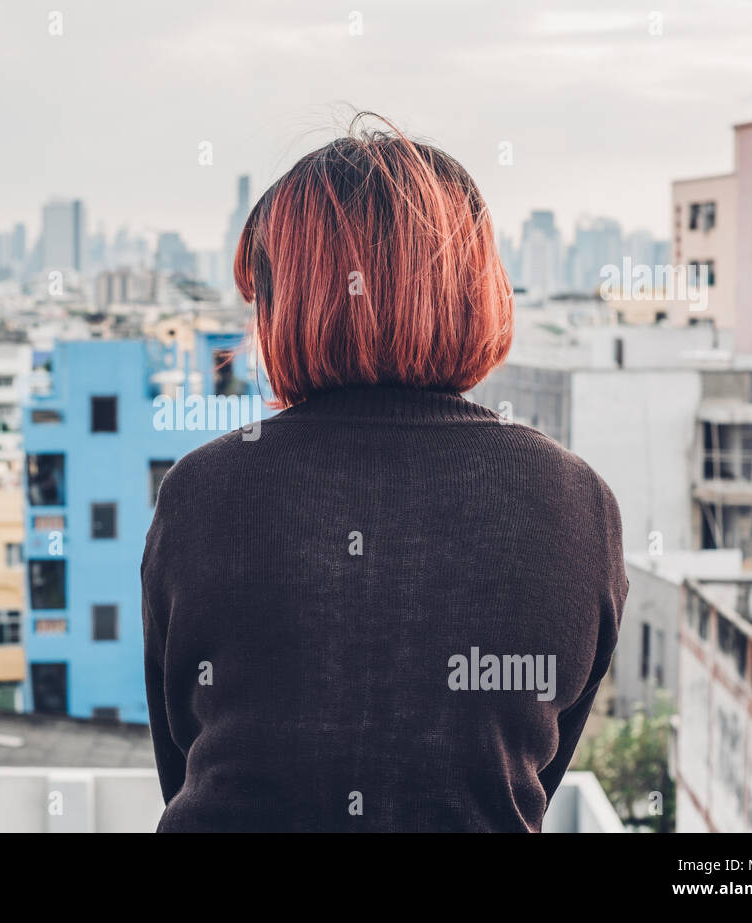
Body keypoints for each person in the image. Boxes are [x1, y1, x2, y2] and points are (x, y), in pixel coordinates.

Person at [141, 115, 628, 833]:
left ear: (287, 305)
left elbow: (180, 754)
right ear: (477, 290)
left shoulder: (204, 490)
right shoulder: (575, 501)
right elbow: (530, 774)